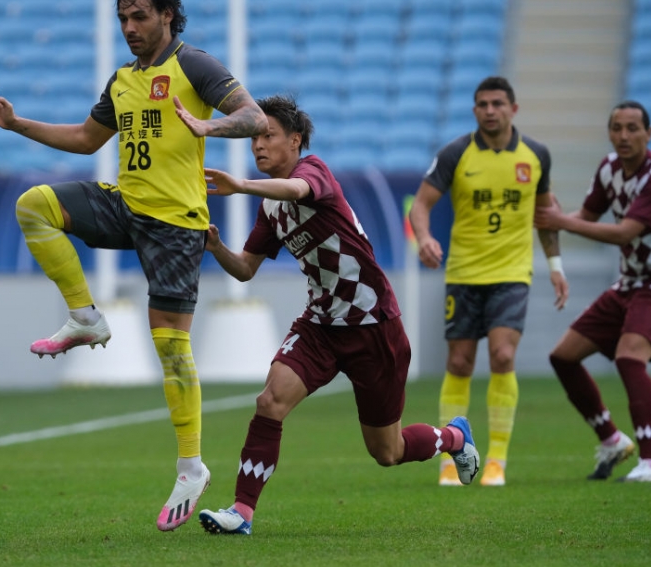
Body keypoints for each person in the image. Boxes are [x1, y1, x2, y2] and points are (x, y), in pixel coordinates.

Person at [0, 0, 268, 531]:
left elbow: (254, 117)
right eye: (123, 19)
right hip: (126, 204)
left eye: (140, 17)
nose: (130, 28)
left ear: (168, 17)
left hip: (177, 224)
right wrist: (15, 124)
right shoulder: (124, 80)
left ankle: (191, 467)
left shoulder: (195, 65)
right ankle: (85, 315)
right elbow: (86, 140)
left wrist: (211, 124)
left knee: (171, 349)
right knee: (35, 205)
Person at [196, 95, 480, 536]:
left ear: (295, 141)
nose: (258, 145)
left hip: (374, 326)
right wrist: (215, 247)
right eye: (254, 137)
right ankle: (241, 513)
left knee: (388, 451)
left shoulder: (314, 172)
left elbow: (297, 190)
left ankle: (454, 437)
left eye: (268, 135)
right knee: (269, 401)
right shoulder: (270, 208)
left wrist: (242, 184)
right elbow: (246, 270)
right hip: (321, 325)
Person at [408, 76, 569, 487]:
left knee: (501, 356)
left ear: (513, 109)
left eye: (498, 103)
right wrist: (425, 238)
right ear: (475, 110)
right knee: (459, 362)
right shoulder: (456, 154)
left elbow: (547, 215)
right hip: (463, 273)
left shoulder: (536, 155)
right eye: (482, 104)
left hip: (512, 274)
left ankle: (496, 459)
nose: (490, 110)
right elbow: (421, 205)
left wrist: (555, 265)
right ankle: (451, 455)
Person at [534, 100, 651, 483]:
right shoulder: (608, 168)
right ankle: (612, 440)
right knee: (563, 357)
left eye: (632, 128)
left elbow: (623, 232)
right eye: (617, 127)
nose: (623, 135)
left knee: (628, 357)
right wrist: (556, 215)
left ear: (649, 134)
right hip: (629, 282)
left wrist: (560, 222)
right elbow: (585, 218)